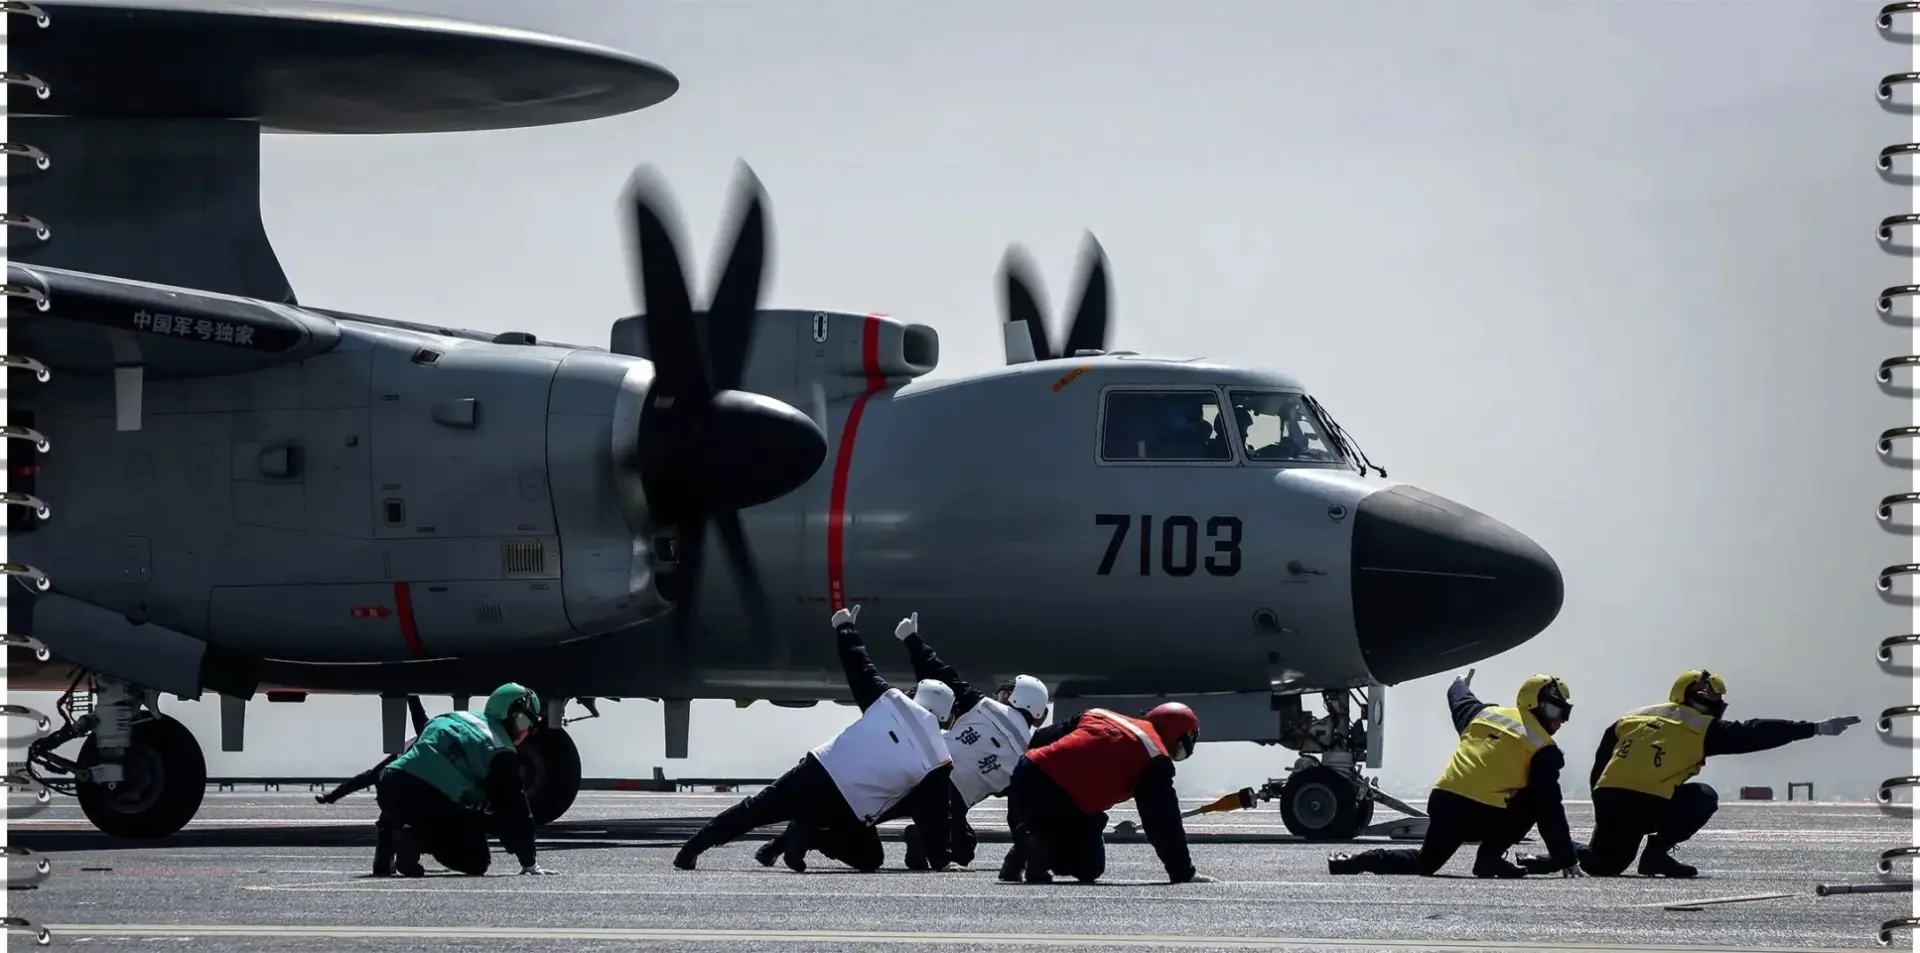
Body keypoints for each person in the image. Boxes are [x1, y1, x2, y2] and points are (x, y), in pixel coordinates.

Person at [752, 611, 1051, 870]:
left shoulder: (986, 707)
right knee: (963, 851)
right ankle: (919, 840)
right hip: (950, 802)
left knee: (858, 814)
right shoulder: (1024, 756)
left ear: (1015, 697)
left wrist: (912, 639)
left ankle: (791, 840)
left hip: (919, 771)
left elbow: (941, 677)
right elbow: (1018, 805)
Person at [674, 604, 957, 873]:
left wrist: (845, 627)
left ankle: (692, 849)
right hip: (850, 806)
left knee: (756, 809)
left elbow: (859, 666)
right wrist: (941, 857)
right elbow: (936, 814)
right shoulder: (940, 758)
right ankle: (809, 835)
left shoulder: (890, 700)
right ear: (944, 714)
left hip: (818, 768)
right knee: (870, 859)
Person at [1567, 669, 1860, 878]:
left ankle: (1564, 849)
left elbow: (1600, 766)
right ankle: (1656, 854)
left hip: (1610, 802)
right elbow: (1756, 732)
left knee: (1603, 866)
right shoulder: (1703, 726)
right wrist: (1815, 728)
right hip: (1650, 805)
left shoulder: (1630, 719)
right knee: (1703, 796)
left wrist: (1602, 814)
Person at [1328, 669, 1579, 879]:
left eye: (1563, 713)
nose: (1558, 721)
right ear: (1532, 704)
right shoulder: (1544, 748)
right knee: (1539, 799)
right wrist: (1565, 857)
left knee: (1425, 863)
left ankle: (1355, 862)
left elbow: (1458, 697)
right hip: (1485, 814)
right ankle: (1489, 859)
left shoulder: (1482, 714)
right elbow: (1550, 810)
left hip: (1445, 803)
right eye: (1553, 711)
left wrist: (1459, 681)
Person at [996, 701, 1215, 885]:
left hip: (1028, 773)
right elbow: (1162, 820)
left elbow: (1040, 738)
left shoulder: (1100, 714)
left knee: (1048, 828)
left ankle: (1029, 843)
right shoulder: (1154, 756)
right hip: (1067, 800)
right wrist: (1182, 872)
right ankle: (1039, 846)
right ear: (1179, 735)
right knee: (1089, 867)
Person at [371, 682, 555, 878]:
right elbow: (515, 808)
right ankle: (415, 840)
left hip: (389, 786)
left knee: (410, 783)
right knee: (477, 861)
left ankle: (386, 843)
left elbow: (415, 759)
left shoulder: (453, 717)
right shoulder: (501, 750)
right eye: (527, 724)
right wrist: (529, 862)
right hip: (428, 800)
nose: (527, 733)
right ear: (515, 717)